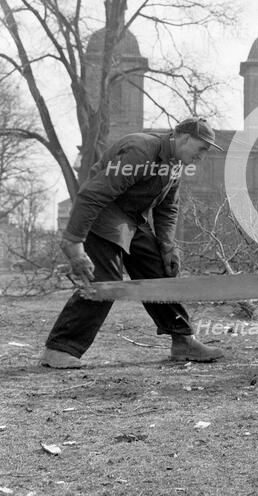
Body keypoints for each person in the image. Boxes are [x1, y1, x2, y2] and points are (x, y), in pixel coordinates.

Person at [41, 117, 225, 369]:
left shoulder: (175, 165)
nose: (202, 156)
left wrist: (167, 246)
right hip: (105, 211)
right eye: (202, 148)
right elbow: (92, 194)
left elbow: (168, 208)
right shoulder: (141, 151)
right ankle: (59, 349)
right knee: (106, 280)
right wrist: (74, 243)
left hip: (132, 219)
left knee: (159, 271)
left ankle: (183, 340)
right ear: (184, 139)